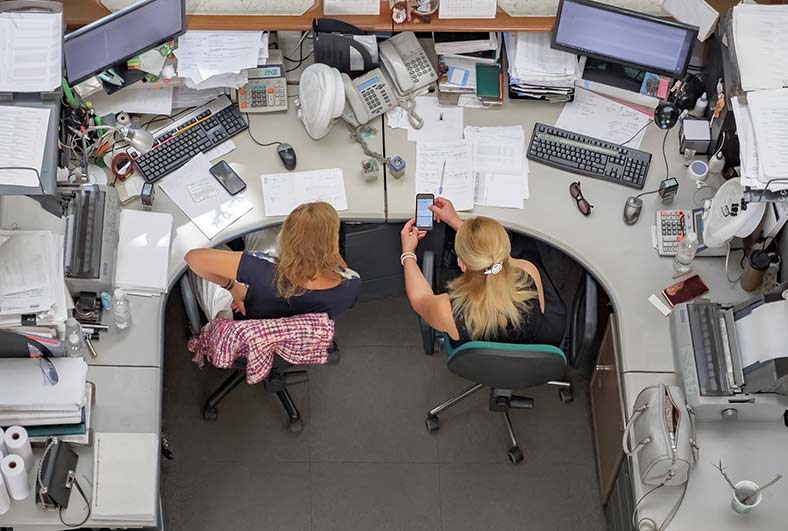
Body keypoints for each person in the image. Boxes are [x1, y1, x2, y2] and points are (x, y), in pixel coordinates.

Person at [400, 197, 566, 348]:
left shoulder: (449, 311)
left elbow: (419, 298)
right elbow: (499, 258)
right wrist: (455, 221)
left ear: (462, 265)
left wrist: (408, 252)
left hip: (479, 365)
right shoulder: (527, 271)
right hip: (536, 353)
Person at [185, 201, 361, 321]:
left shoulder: (260, 269)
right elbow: (340, 267)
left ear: (286, 239)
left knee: (200, 243)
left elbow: (193, 258)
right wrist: (325, 244)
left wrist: (233, 287)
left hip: (241, 320)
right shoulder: (351, 285)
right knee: (261, 234)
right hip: (287, 323)